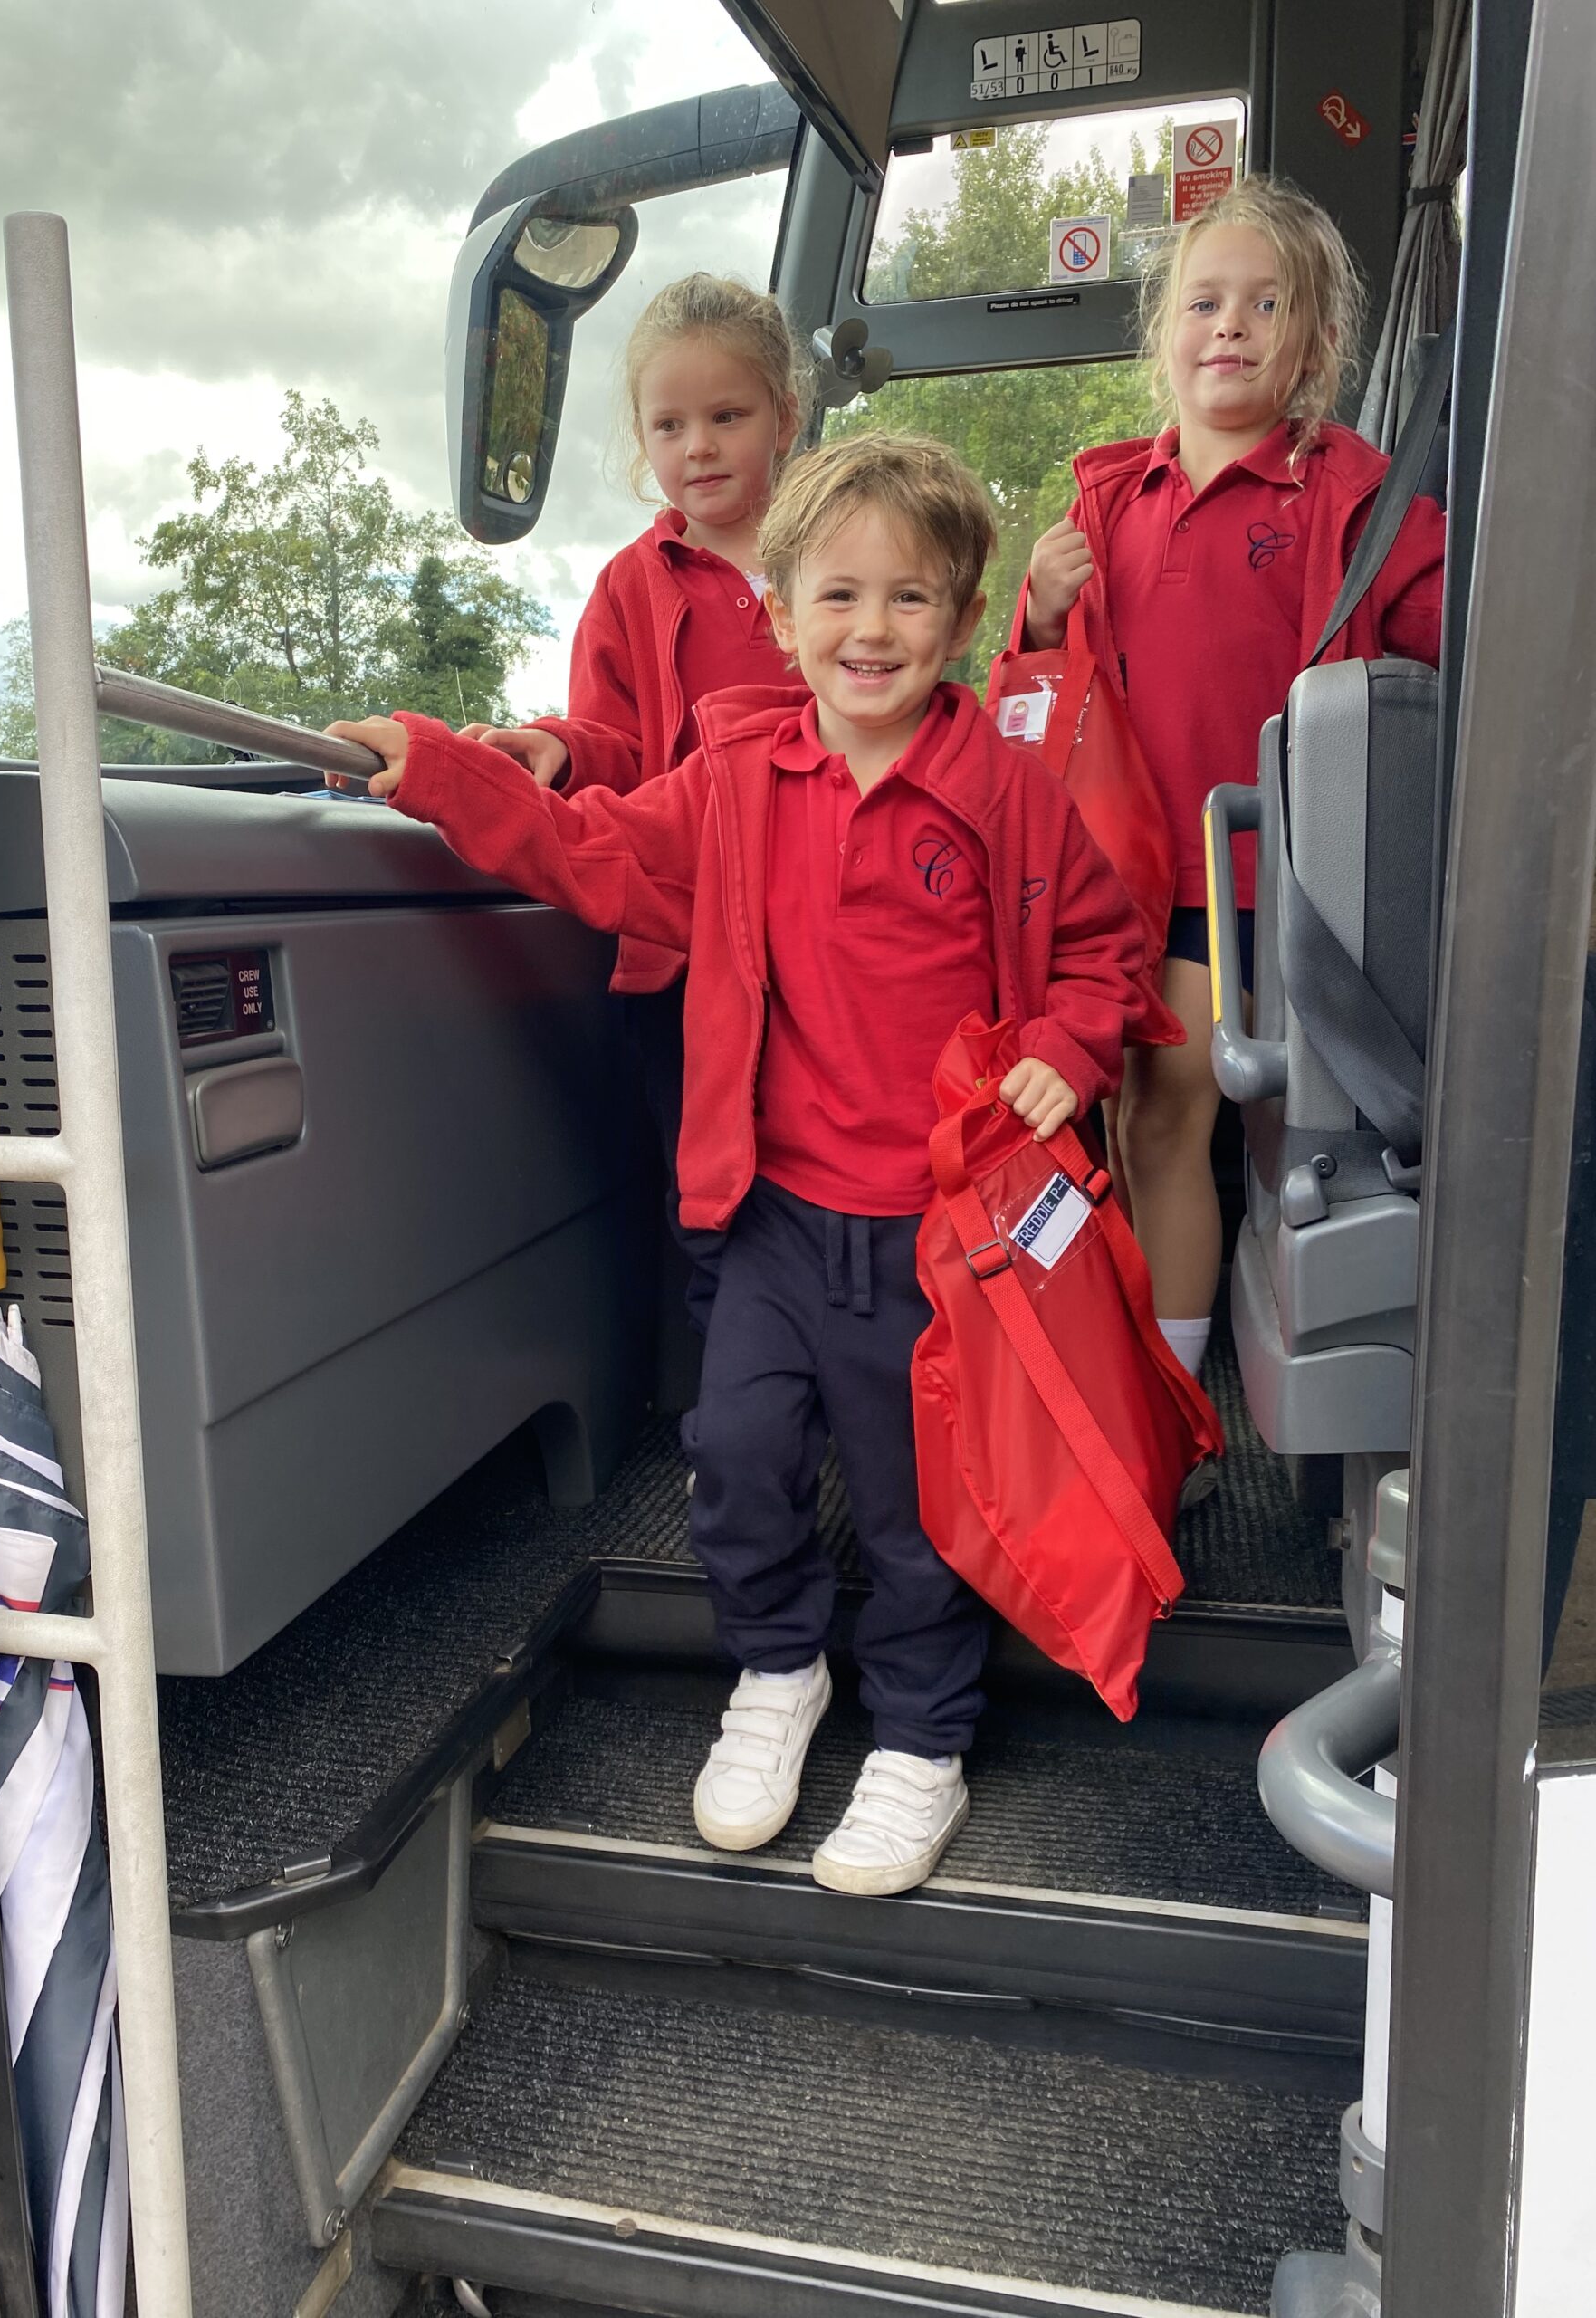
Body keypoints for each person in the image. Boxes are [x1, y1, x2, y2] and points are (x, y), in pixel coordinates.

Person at [329, 431, 1147, 1896]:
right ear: (780, 616)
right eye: (838, 597)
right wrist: (446, 769)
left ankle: (921, 1741)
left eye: (910, 600)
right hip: (769, 1216)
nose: (872, 630)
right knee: (743, 1458)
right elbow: (587, 850)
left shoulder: (1004, 794)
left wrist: (1073, 1051)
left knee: (917, 1508)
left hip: (941, 1238)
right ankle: (780, 1670)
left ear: (963, 621)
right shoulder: (736, 781)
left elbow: (1104, 949)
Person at [1010, 175, 1445, 1380]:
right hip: (1158, 889)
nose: (1232, 324)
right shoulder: (1106, 506)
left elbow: (1454, 622)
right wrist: (1039, 615)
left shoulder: (1350, 495)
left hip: (1305, 889)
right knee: (1156, 1120)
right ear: (1166, 332)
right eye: (1205, 300)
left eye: (1267, 303)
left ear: (1317, 341)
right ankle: (1170, 1400)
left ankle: (1231, 1379)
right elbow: (1035, 711)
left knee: (1285, 1145)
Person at [457, 273, 811, 1331]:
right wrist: (557, 751)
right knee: (710, 1183)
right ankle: (748, 1413)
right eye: (670, 424)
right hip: (688, 945)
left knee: (838, 1171)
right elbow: (619, 740)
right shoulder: (630, 586)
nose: (697, 445)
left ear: (784, 419)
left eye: (726, 417)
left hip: (825, 927)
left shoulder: (834, 557)